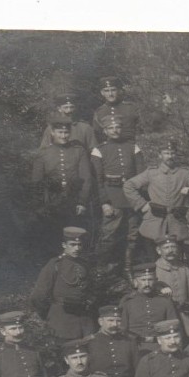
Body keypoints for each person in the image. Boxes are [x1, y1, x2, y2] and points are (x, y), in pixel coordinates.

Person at [124, 139, 189, 259]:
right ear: (160, 155)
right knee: (153, 255)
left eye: (172, 153)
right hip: (154, 220)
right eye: (166, 153)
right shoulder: (151, 172)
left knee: (177, 255)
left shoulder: (185, 173)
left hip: (177, 222)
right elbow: (129, 185)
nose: (170, 156)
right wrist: (142, 204)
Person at [91, 116, 145, 274]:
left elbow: (142, 174)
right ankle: (101, 267)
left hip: (133, 196)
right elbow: (98, 180)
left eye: (118, 127)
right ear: (105, 131)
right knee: (108, 234)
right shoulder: (99, 150)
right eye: (111, 128)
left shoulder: (133, 147)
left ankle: (129, 267)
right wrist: (104, 202)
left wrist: (139, 198)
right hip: (112, 196)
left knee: (133, 233)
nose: (115, 131)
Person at [31, 113, 94, 243]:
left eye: (66, 132)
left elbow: (86, 178)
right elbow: (37, 182)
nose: (64, 136)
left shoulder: (79, 151)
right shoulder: (43, 153)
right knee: (52, 236)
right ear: (52, 133)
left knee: (75, 235)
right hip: (51, 201)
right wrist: (40, 206)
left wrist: (82, 202)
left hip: (73, 201)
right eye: (60, 132)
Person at [29, 227, 96, 341]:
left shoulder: (85, 264)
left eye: (79, 244)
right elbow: (38, 296)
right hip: (62, 320)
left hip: (85, 321)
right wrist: (49, 314)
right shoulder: (55, 265)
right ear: (64, 245)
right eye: (73, 244)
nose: (77, 248)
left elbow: (90, 291)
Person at [86, 305, 140, 377]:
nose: (115, 324)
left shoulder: (129, 341)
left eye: (118, 321)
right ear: (100, 321)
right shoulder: (90, 343)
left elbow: (138, 368)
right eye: (110, 320)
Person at [119, 262, 179, 353]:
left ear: (155, 281)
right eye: (143, 280)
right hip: (135, 347)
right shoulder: (128, 302)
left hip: (160, 347)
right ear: (135, 282)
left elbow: (174, 327)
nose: (147, 283)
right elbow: (122, 329)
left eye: (150, 280)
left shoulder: (165, 301)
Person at [153, 234, 189, 339]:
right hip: (164, 320)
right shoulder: (154, 270)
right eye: (166, 248)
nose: (171, 250)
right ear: (159, 250)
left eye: (173, 247)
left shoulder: (183, 268)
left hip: (186, 320)